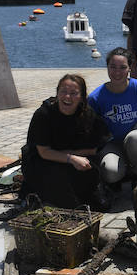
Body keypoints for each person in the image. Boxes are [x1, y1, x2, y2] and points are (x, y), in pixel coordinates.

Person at [21, 74, 110, 209]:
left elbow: (92, 149)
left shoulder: (87, 114)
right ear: (57, 93)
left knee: (92, 177)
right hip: (42, 161)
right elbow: (44, 152)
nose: (67, 97)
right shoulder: (44, 114)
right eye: (63, 92)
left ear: (81, 97)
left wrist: (68, 155)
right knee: (59, 181)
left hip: (72, 157)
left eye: (73, 93)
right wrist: (71, 158)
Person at [88, 48, 137, 185]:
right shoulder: (96, 98)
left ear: (130, 68)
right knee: (111, 173)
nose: (117, 72)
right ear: (107, 67)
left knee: (135, 138)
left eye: (122, 67)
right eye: (113, 67)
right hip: (113, 144)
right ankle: (123, 172)